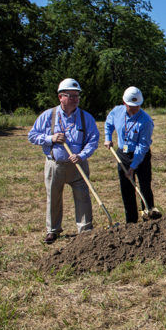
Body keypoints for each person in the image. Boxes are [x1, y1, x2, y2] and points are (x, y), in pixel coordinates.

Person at [28, 78, 99, 244]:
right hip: (55, 165)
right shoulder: (48, 116)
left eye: (77, 96)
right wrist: (50, 138)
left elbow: (93, 139)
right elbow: (32, 136)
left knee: (83, 197)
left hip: (78, 165)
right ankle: (53, 230)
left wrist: (82, 155)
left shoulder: (85, 117)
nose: (75, 99)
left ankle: (85, 230)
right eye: (71, 96)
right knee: (53, 197)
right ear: (61, 97)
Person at [104, 86, 157, 223]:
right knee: (126, 189)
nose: (134, 108)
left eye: (137, 106)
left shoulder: (145, 121)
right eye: (131, 106)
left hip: (141, 156)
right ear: (124, 103)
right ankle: (131, 221)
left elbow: (142, 146)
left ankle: (149, 215)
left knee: (144, 186)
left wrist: (133, 166)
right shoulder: (117, 111)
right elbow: (109, 123)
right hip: (123, 154)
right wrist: (108, 137)